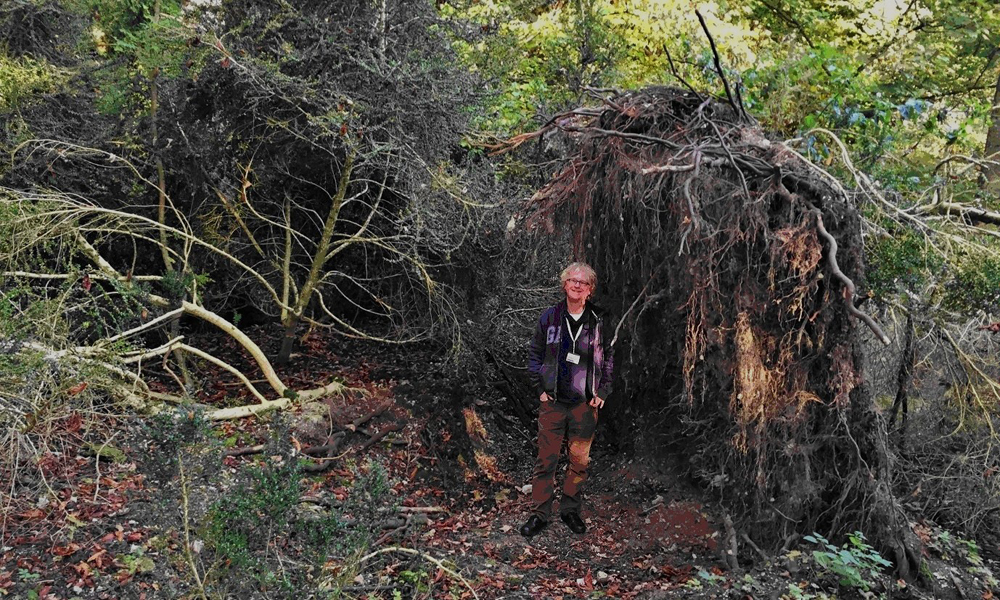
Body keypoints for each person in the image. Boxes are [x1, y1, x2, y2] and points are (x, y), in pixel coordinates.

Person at [520, 261, 613, 537]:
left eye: (582, 282)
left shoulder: (597, 323)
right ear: (564, 284)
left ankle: (570, 510)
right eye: (572, 280)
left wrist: (603, 391)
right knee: (545, 460)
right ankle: (539, 514)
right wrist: (539, 388)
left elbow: (608, 359)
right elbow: (535, 355)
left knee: (578, 462)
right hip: (553, 402)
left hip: (585, 404)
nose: (576, 284)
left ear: (590, 289)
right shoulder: (549, 317)